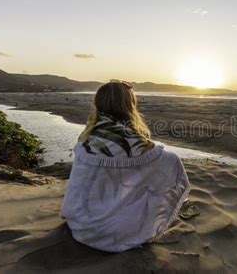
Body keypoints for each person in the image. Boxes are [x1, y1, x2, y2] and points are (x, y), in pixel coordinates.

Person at [60, 81, 190, 252]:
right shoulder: (135, 144)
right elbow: (169, 166)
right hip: (116, 235)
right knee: (170, 162)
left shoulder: (87, 139)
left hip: (80, 226)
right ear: (129, 106)